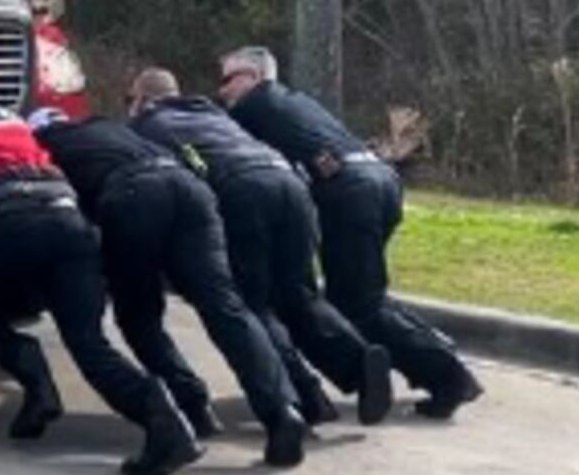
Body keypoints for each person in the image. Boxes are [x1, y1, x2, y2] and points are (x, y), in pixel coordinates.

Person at [0, 79, 202, 475]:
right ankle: (166, 423)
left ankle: (40, 388)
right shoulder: (14, 120)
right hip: (70, 220)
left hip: (14, 219)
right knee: (88, 343)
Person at [27, 107, 306, 467]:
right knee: (224, 304)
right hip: (190, 190)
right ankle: (282, 411)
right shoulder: (109, 126)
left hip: (131, 194)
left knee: (140, 316)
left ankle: (190, 405)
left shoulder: (45, 147)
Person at [219, 46, 484, 419]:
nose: (223, 89)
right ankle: (439, 356)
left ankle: (448, 375)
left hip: (349, 191)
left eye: (231, 78)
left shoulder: (254, 106)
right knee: (364, 293)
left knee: (356, 303)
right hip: (379, 180)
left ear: (257, 76)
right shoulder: (295, 103)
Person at [128, 67, 394, 428]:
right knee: (298, 293)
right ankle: (359, 363)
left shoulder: (148, 125)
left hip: (242, 192)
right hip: (290, 185)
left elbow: (167, 184)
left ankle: (304, 394)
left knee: (252, 303)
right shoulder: (213, 113)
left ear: (143, 99)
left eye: (130, 100)